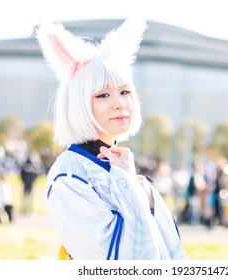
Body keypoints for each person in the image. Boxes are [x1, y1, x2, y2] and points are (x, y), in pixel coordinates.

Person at [36, 18, 185, 260]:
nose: (119, 104)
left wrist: (138, 186)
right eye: (103, 94)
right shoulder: (68, 174)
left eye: (125, 91)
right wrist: (131, 186)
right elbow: (113, 258)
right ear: (79, 104)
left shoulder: (118, 164)